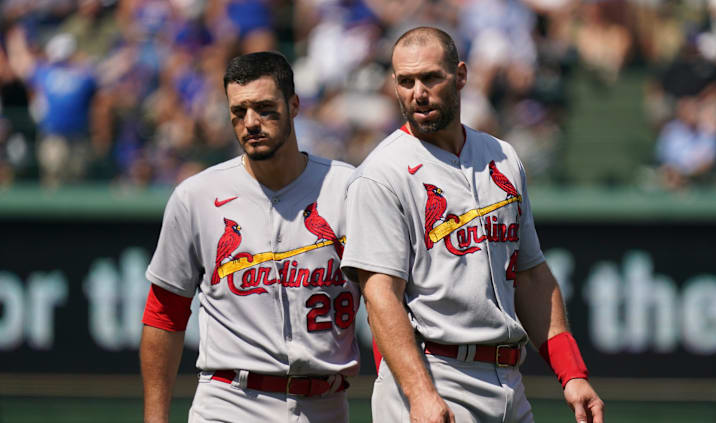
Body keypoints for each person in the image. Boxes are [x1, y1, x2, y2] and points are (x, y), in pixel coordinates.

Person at [340, 27, 604, 423]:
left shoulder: (501, 156)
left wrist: (572, 374)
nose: (418, 92)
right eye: (406, 81)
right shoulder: (381, 174)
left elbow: (531, 275)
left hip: (509, 381)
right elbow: (381, 298)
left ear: (460, 76)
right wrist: (420, 394)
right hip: (435, 375)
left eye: (431, 77)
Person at [139, 52, 359, 423]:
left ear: (293, 105)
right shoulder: (198, 195)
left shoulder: (349, 187)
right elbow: (164, 313)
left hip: (325, 404)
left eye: (264, 108)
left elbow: (386, 302)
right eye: (239, 112)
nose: (251, 122)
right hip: (230, 401)